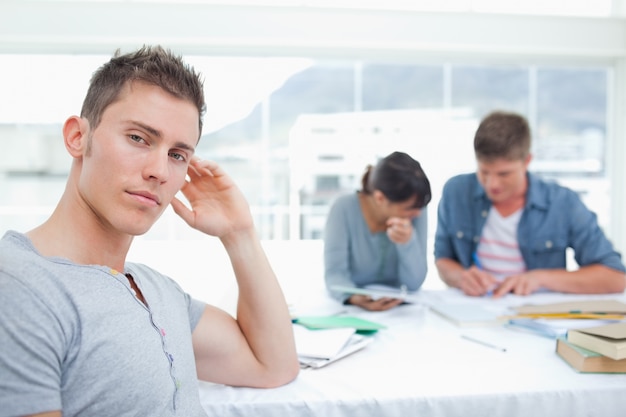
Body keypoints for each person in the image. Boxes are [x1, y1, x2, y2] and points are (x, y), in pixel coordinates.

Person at [0, 46, 299, 417]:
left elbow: (273, 365)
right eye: (139, 138)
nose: (160, 170)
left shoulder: (157, 291)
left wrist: (239, 233)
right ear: (78, 137)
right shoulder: (20, 287)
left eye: (177, 155)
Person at [434, 110, 626, 298]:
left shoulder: (562, 202)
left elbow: (616, 277)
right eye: (484, 172)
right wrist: (461, 278)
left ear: (527, 161)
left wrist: (540, 279)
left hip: (536, 317)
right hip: (474, 310)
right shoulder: (456, 191)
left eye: (504, 174)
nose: (492, 184)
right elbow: (443, 259)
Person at [324, 151, 432, 311]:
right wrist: (354, 298)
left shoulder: (416, 211)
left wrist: (407, 244)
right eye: (409, 208)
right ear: (380, 198)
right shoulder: (343, 208)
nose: (417, 214)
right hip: (355, 310)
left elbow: (414, 283)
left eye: (420, 208)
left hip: (401, 312)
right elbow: (335, 275)